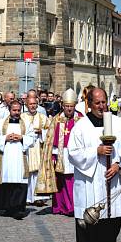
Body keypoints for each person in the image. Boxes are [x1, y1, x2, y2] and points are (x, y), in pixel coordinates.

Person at [69, 88, 121, 242]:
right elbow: (73, 153)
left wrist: (118, 164)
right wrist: (96, 151)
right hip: (89, 187)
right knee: (88, 237)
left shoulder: (117, 123)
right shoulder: (81, 126)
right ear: (89, 104)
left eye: (104, 102)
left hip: (112, 186)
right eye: (98, 103)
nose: (102, 106)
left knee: (110, 234)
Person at [36, 88, 83, 216]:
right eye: (66, 106)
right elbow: (51, 137)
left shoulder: (81, 119)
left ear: (75, 106)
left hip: (76, 154)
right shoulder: (57, 119)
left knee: (73, 180)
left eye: (71, 106)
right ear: (63, 105)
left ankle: (73, 206)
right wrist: (53, 154)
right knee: (60, 181)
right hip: (61, 153)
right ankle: (60, 206)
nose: (69, 109)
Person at [0, 100, 34, 219]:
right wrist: (5, 138)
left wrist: (21, 138)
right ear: (9, 110)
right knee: (6, 181)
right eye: (14, 110)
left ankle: (18, 209)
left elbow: (32, 138)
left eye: (19, 110)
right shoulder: (0, 123)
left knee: (19, 181)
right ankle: (6, 208)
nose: (17, 112)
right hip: (5, 157)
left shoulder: (26, 123)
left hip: (20, 157)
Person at [21, 96, 51, 206]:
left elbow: (50, 131)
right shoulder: (22, 117)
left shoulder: (43, 117)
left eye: (34, 104)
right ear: (26, 105)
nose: (33, 106)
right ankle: (28, 197)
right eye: (30, 104)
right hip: (27, 148)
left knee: (38, 172)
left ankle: (39, 197)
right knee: (27, 172)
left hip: (39, 146)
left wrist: (41, 132)